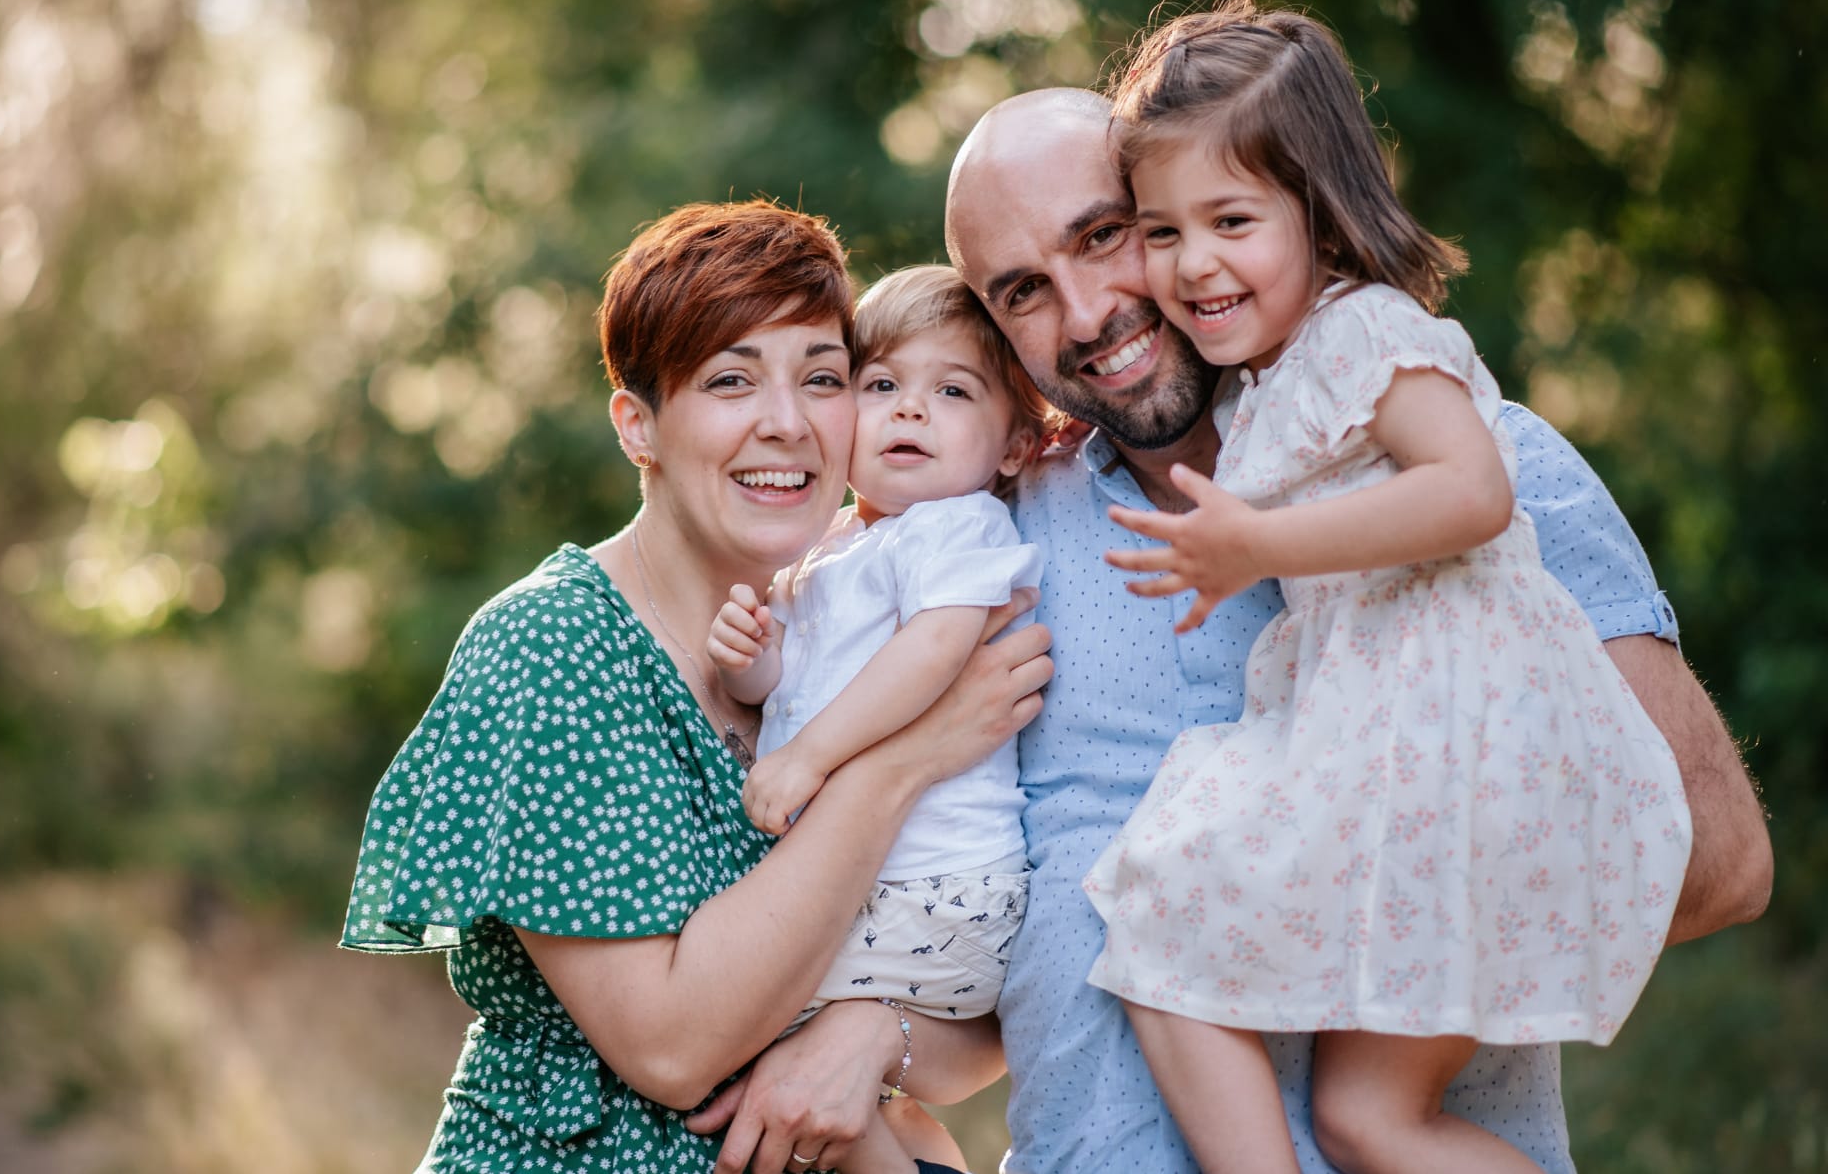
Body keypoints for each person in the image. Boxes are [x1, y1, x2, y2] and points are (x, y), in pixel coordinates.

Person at [930, 84, 1773, 1173]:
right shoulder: (987, 541)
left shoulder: (1462, 454)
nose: (1087, 311)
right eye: (1023, 292)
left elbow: (1716, 863)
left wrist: (1340, 886)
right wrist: (879, 1037)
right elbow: (965, 915)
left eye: (1106, 236)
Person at [1076, 0, 1690, 1174]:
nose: (1192, 260)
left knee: (1159, 902)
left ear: (1319, 211)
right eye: (1159, 230)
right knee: (1366, 1121)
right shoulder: (1272, 374)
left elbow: (1471, 493)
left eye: (1230, 219)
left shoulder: (1364, 332)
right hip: (1413, 752)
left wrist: (1253, 543)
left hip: (1460, 747)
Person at [339, 200, 1053, 1174]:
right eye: (729, 380)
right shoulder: (555, 648)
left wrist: (871, 1031)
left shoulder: (830, 624)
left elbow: (986, 1019)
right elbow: (672, 1047)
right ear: (638, 424)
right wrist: (908, 760)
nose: (787, 422)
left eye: (822, 377)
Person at [704, 267, 1052, 1174]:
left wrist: (808, 758)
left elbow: (937, 651)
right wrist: (750, 655)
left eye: (952, 391)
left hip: (938, 889)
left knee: (737, 1020)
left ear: (1015, 445)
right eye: (882, 385)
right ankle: (914, 1150)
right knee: (765, 1035)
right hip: (882, 884)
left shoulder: (956, 526)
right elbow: (791, 680)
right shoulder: (839, 546)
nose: (909, 411)